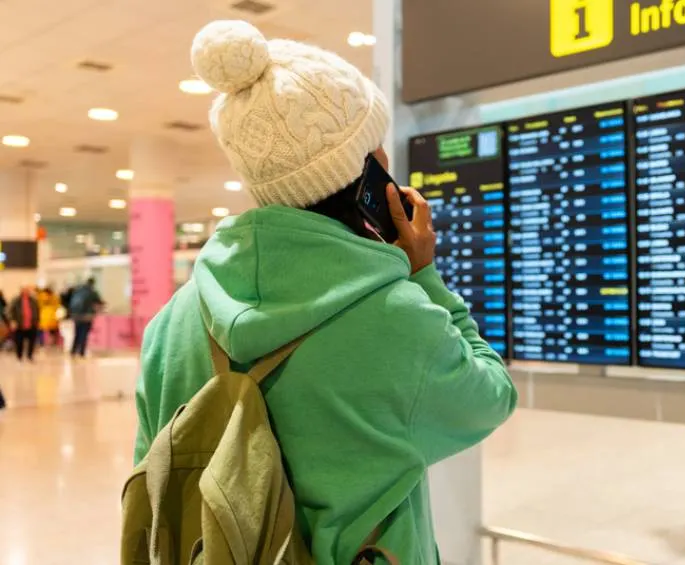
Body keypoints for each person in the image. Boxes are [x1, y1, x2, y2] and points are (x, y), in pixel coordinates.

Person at [134, 20, 517, 565]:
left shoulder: (170, 325)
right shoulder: (395, 316)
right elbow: (490, 396)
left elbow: (152, 494)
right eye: (377, 149)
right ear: (369, 181)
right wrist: (423, 274)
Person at [69, 278, 103, 357]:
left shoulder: (78, 290)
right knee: (84, 334)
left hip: (76, 315)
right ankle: (81, 351)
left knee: (76, 334)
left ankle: (73, 350)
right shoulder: (92, 292)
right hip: (87, 316)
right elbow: (98, 302)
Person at [7, 286, 40, 362]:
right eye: (24, 290)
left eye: (27, 290)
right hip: (19, 324)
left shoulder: (33, 300)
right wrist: (12, 320)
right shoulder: (16, 300)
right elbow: (9, 311)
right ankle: (19, 356)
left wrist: (37, 320)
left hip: (31, 324)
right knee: (19, 341)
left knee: (32, 341)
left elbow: (37, 310)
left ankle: (29, 356)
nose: (26, 292)